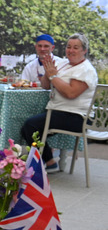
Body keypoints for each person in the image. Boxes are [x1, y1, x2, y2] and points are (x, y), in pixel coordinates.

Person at [21, 33, 98, 173]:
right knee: (29, 126)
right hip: (59, 112)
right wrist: (47, 71)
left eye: (76, 47)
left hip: (77, 116)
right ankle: (48, 161)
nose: (71, 50)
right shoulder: (63, 63)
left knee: (31, 125)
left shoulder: (86, 69)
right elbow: (45, 85)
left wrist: (53, 76)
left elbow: (70, 93)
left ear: (84, 51)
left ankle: (44, 163)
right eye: (69, 47)